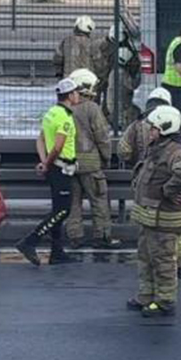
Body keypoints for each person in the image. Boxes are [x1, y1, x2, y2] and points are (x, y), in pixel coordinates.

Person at [120, 87, 181, 279]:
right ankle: (180, 265)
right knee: (177, 229)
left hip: (146, 186)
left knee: (147, 229)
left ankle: (151, 269)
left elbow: (123, 150)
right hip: (172, 187)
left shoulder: (137, 125)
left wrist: (139, 162)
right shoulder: (177, 125)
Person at [128, 105, 181, 318]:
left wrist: (167, 190)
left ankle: (165, 301)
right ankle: (146, 295)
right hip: (150, 216)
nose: (150, 131)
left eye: (154, 128)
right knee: (146, 257)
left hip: (164, 218)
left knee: (163, 261)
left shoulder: (175, 151)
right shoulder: (158, 148)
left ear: (165, 128)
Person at [16, 78, 84, 266]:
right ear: (70, 95)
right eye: (77, 92)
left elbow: (41, 139)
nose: (78, 95)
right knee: (63, 210)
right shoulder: (65, 117)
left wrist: (44, 162)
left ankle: (57, 252)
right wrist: (46, 162)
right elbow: (58, 146)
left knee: (57, 210)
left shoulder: (50, 113)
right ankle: (30, 241)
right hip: (61, 168)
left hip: (53, 167)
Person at [64, 69, 121, 249]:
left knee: (73, 203)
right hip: (91, 166)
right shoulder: (92, 108)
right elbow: (102, 136)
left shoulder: (64, 108)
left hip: (68, 164)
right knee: (99, 201)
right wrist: (107, 157)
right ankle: (102, 237)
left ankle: (75, 237)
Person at [94, 24, 141, 124]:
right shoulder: (102, 46)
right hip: (103, 76)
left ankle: (111, 120)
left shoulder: (125, 47)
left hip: (110, 75)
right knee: (108, 101)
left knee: (111, 101)